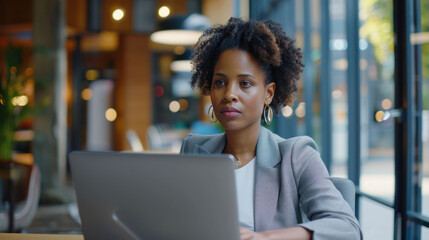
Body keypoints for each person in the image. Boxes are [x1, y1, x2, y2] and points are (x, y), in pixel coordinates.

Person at [180, 17, 362, 240]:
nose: (229, 94)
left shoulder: (296, 156)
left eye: (245, 83)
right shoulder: (194, 149)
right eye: (220, 82)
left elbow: (346, 227)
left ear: (268, 93)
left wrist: (265, 238)